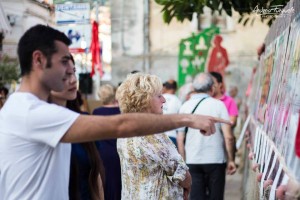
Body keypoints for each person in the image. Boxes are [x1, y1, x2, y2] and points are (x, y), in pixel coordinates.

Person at [0, 24, 230, 199]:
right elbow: (121, 125)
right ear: (38, 60)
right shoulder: (29, 112)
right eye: (63, 62)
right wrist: (189, 119)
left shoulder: (35, 109)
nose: (70, 70)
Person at [116, 73, 191, 199]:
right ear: (145, 100)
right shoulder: (152, 133)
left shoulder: (125, 130)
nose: (164, 100)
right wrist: (188, 185)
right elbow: (181, 173)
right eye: (159, 95)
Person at [49, 55, 105, 200]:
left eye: (73, 72)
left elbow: (94, 175)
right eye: (65, 74)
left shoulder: (83, 120)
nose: (73, 79)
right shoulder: (33, 123)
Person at [177, 73, 236, 200]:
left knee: (197, 196)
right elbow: (228, 137)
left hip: (193, 160)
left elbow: (180, 139)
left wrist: (183, 162)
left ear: (194, 88)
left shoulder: (184, 107)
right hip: (216, 160)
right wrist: (231, 159)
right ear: (212, 88)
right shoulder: (219, 105)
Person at [93, 84, 122, 200]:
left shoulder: (96, 112)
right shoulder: (120, 111)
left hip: (103, 151)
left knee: (105, 181)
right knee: (119, 181)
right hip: (119, 150)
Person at [162, 79, 182, 147]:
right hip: (171, 135)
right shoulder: (178, 101)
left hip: (157, 135)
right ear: (175, 89)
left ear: (165, 87)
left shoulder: (158, 98)